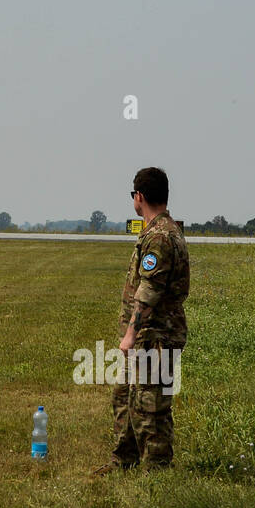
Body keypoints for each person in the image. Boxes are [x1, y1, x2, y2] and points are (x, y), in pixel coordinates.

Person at [94, 167, 189, 474]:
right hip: (145, 335)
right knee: (124, 396)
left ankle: (157, 468)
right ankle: (124, 460)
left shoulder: (161, 237)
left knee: (151, 404)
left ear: (139, 197)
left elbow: (149, 289)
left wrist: (130, 335)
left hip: (155, 335)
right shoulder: (157, 232)